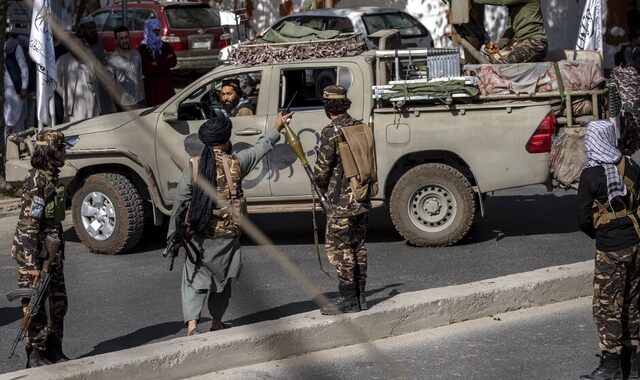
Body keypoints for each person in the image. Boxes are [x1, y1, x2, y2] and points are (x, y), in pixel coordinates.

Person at [167, 112, 292, 335]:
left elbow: (179, 205)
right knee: (222, 281)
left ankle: (192, 326)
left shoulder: (193, 166)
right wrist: (277, 127)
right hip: (227, 235)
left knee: (193, 278)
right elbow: (261, 147)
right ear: (226, 140)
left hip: (198, 237)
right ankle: (216, 322)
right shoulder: (237, 163)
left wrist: (172, 238)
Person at [578, 120, 640, 380]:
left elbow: (582, 218)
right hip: (635, 243)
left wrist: (601, 233)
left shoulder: (590, 175)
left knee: (607, 307)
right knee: (632, 302)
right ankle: (634, 363)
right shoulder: (632, 166)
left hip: (610, 249)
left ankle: (611, 365)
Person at [11, 130, 69, 368]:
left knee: (58, 303)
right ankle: (35, 353)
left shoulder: (51, 176)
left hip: (52, 254)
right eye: (63, 148)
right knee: (35, 306)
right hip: (34, 254)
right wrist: (30, 264)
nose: (66, 152)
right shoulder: (37, 180)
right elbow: (28, 225)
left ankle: (54, 348)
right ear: (52, 151)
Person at [313, 85, 370, 315]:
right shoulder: (359, 126)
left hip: (341, 203)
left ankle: (347, 299)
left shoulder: (331, 131)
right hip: (361, 196)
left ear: (328, 108)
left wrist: (322, 188)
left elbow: (321, 170)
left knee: (340, 249)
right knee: (358, 246)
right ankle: (360, 296)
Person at [473, 0, 548, 63]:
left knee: (502, 64)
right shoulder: (514, 5)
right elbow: (511, 27)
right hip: (522, 43)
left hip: (535, 43)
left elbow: (502, 1)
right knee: (494, 61)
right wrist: (499, 45)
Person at [56, 36, 102, 122]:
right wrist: (64, 94)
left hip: (91, 102)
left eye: (80, 44)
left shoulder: (91, 59)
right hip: (73, 105)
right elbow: (55, 81)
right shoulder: (62, 60)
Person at [106, 26, 146, 110]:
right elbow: (110, 85)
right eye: (121, 38)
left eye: (126, 37)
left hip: (140, 101)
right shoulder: (112, 59)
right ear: (116, 41)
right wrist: (113, 106)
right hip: (124, 104)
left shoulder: (136, 54)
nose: (125, 41)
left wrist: (144, 98)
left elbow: (141, 77)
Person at [139, 19, 177, 106]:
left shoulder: (165, 46)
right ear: (148, 30)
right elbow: (149, 68)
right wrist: (164, 61)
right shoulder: (143, 49)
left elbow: (173, 62)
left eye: (158, 30)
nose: (156, 33)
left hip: (167, 89)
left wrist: (157, 63)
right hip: (152, 91)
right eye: (154, 30)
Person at [4, 34, 29, 139]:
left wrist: (24, 86)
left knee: (17, 123)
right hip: (5, 90)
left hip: (15, 90)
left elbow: (24, 68)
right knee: (5, 123)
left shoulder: (15, 46)